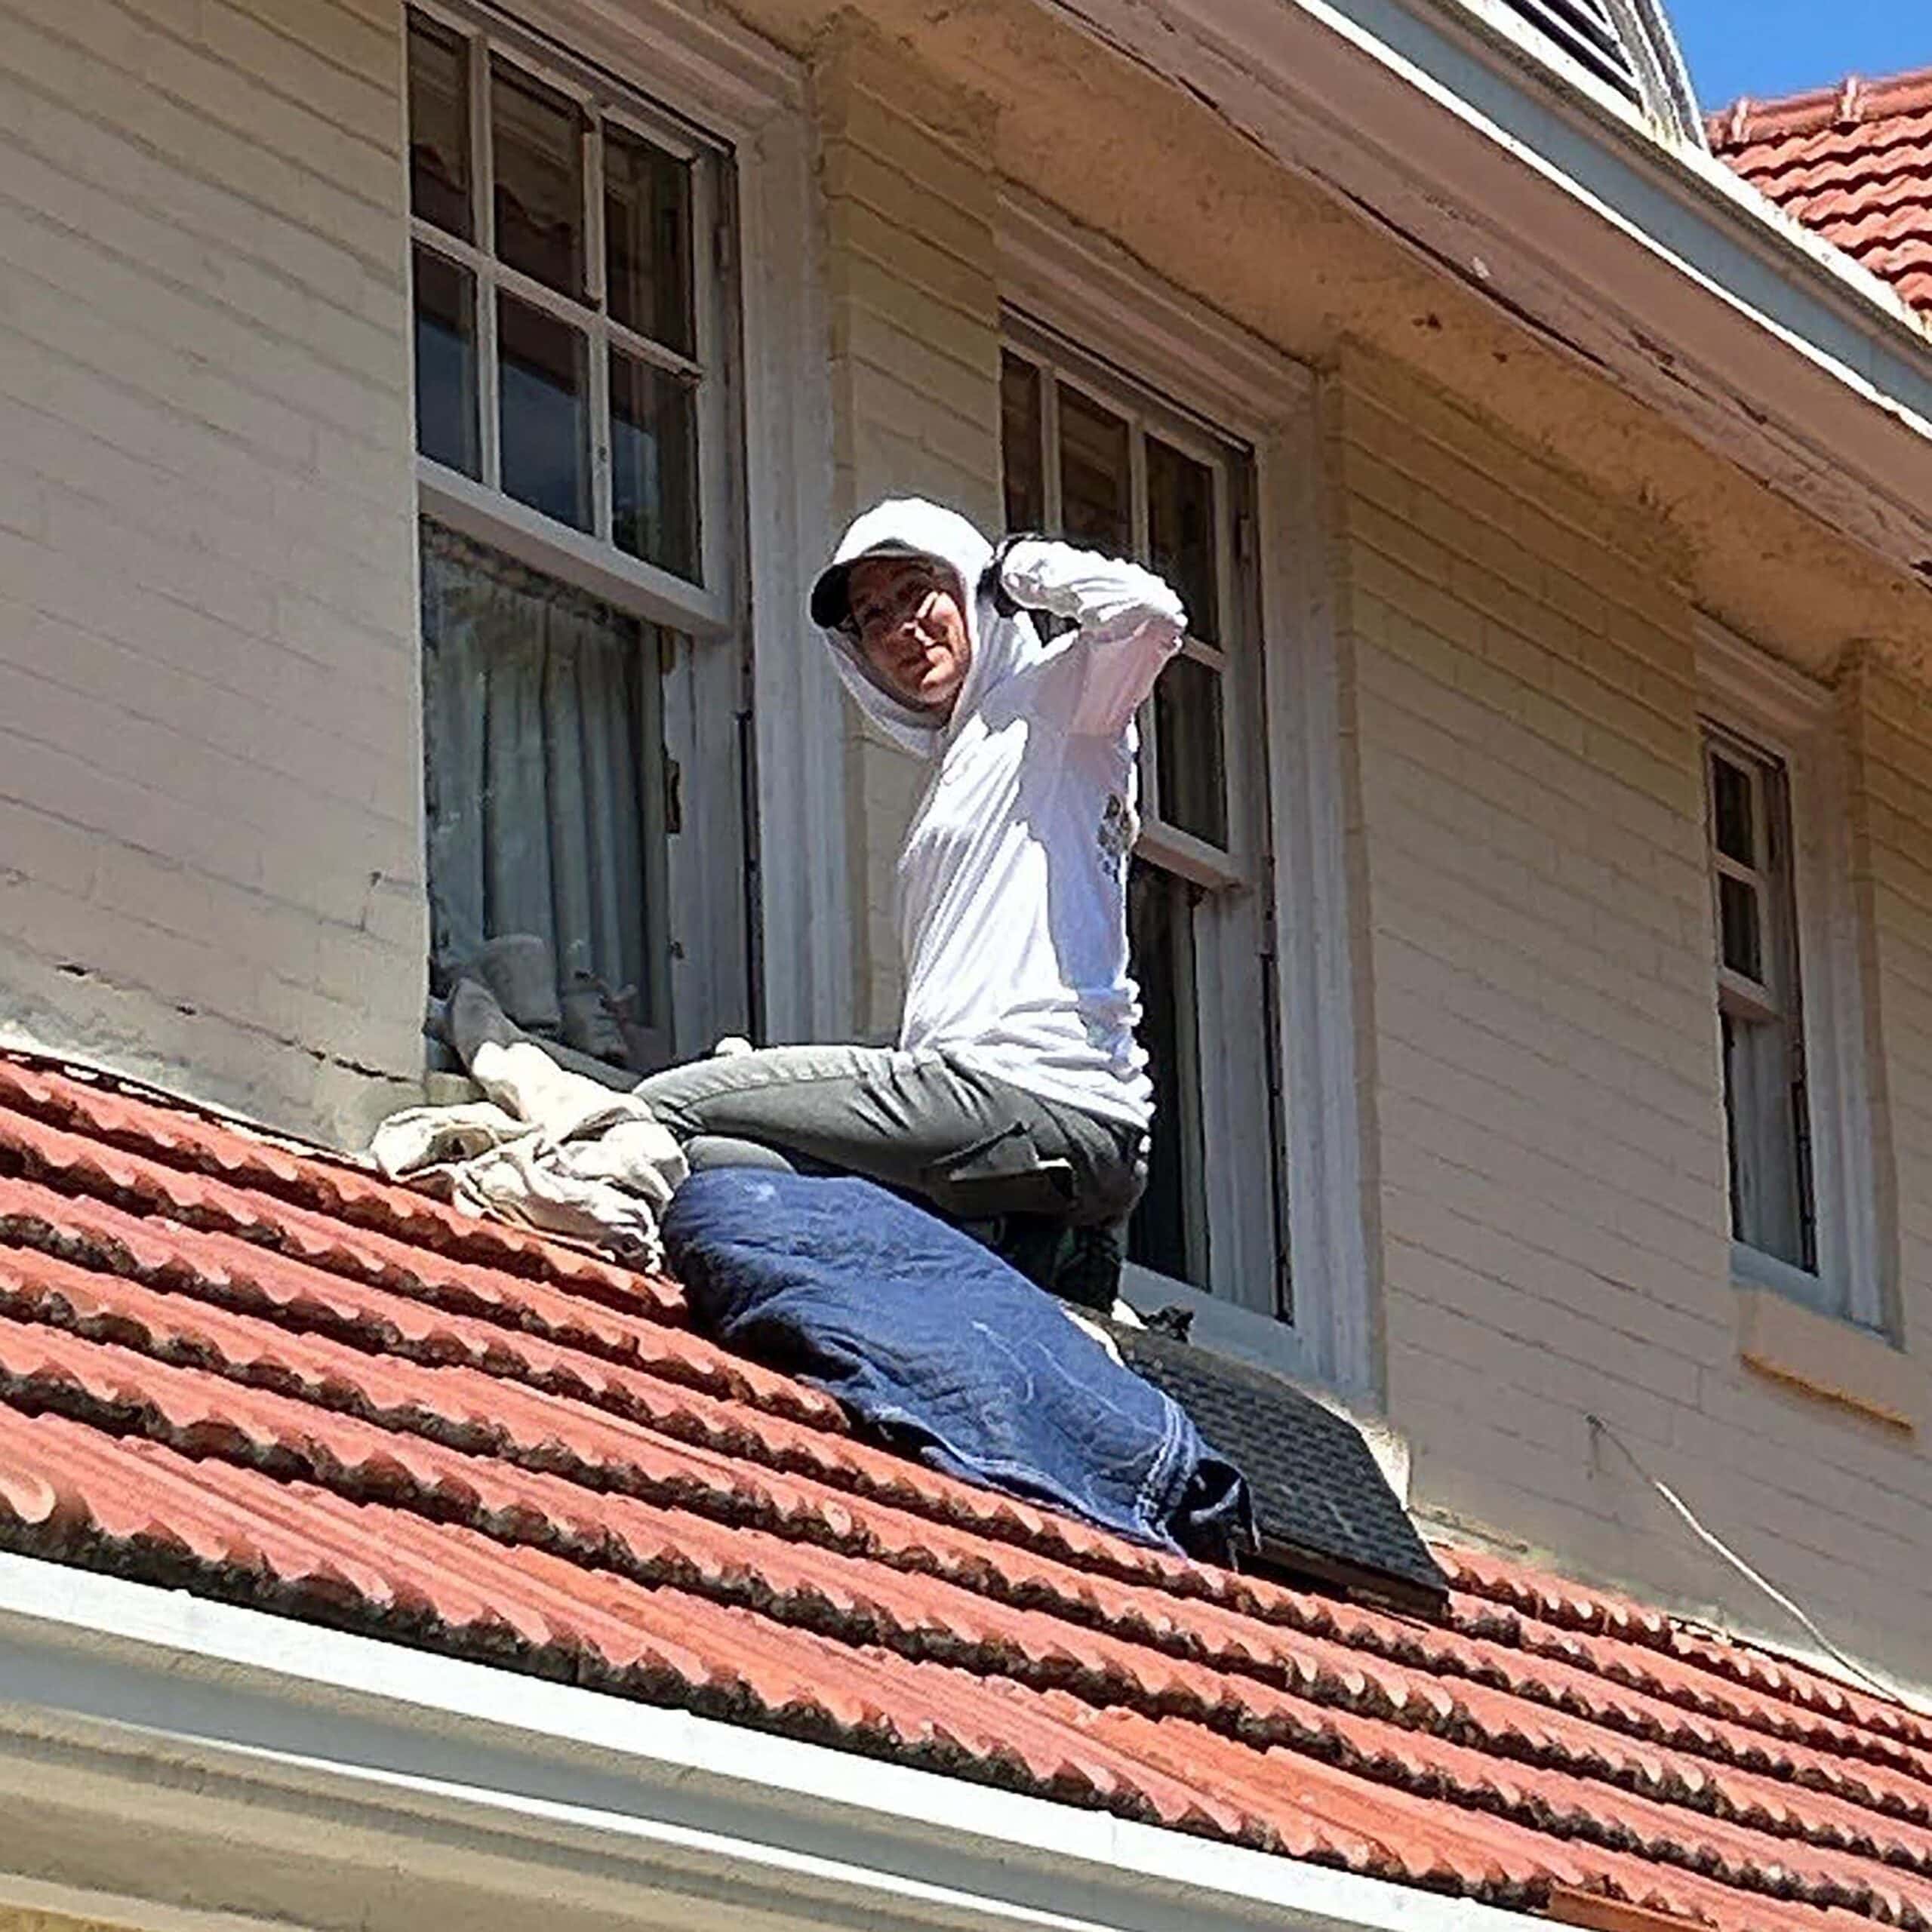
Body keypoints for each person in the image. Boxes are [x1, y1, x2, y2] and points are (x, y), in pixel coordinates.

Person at [632, 497, 1187, 1306]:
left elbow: (1147, 616)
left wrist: (1018, 568)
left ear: (967, 590)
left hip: (1026, 1095)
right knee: (715, 1162)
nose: (900, 628)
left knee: (667, 1107)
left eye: (918, 590)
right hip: (1025, 1150)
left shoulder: (1058, 699)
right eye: (871, 617)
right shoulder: (966, 765)